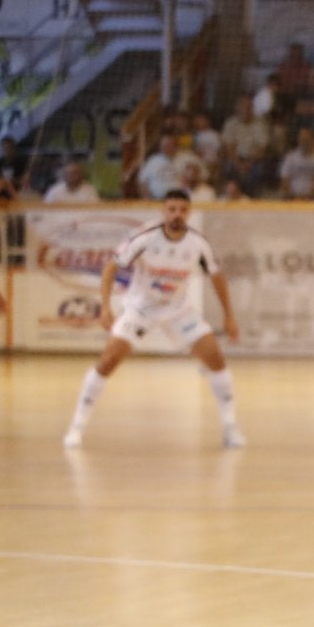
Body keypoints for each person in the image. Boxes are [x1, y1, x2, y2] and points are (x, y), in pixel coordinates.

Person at [64, 190, 244, 450]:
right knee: (108, 360)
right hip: (141, 309)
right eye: (172, 209)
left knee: (215, 358)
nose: (177, 214)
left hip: (178, 310)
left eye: (182, 210)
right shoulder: (145, 237)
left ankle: (230, 427)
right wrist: (105, 307)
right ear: (163, 211)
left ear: (189, 213)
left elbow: (216, 276)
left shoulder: (198, 243)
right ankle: (76, 427)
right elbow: (111, 267)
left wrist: (229, 316)